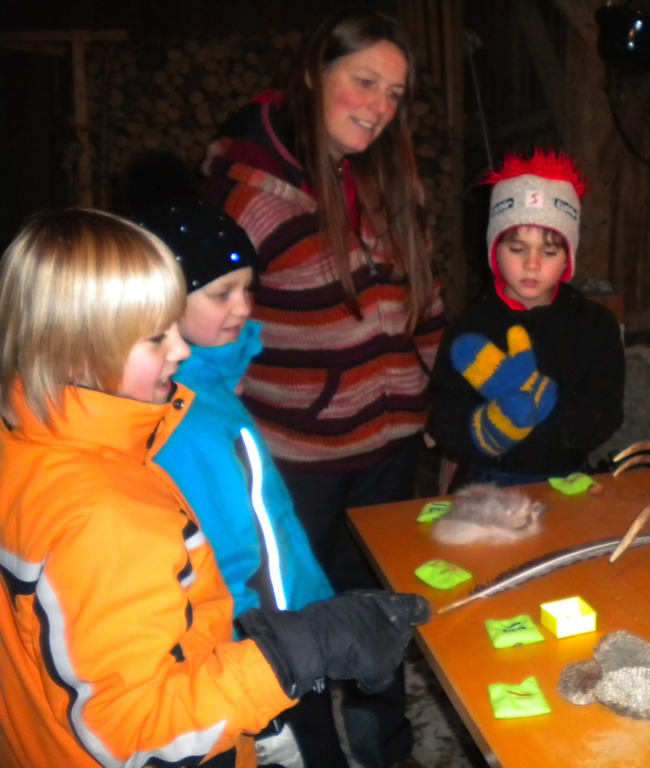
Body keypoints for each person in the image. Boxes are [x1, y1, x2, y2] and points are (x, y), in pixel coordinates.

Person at [0, 209, 429, 768]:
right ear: (80, 350)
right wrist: (299, 650)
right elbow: (136, 732)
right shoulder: (105, 515)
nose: (179, 351)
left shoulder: (31, 450)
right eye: (156, 337)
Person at [202, 8, 443, 767]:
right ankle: (313, 756)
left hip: (389, 452)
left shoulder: (387, 181)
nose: (378, 107)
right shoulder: (246, 198)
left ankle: (386, 749)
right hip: (297, 464)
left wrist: (433, 402)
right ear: (314, 74)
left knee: (380, 612)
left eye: (394, 93)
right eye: (364, 82)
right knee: (297, 623)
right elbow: (211, 335)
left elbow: (425, 304)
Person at [131, 196, 344, 767]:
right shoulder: (187, 418)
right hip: (265, 647)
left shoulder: (213, 389)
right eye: (221, 293)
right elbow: (232, 554)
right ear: (165, 302)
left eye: (248, 288)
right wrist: (282, 645)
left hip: (283, 633)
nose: (243, 307)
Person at [427, 149, 625, 487]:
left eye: (549, 251)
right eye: (517, 249)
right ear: (494, 250)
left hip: (566, 483)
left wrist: (548, 408)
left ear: (568, 258)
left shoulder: (594, 326)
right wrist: (484, 431)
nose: (532, 264)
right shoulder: (470, 328)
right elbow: (443, 415)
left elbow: (605, 414)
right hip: (486, 484)